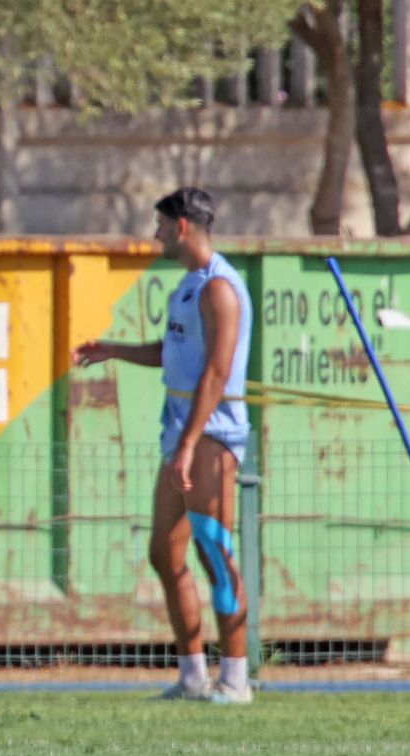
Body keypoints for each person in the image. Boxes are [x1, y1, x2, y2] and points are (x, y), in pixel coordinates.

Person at [73, 187, 253, 704]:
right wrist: (114, 350)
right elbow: (171, 353)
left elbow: (218, 372)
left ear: (180, 227)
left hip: (212, 436)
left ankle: (236, 679)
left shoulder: (220, 287)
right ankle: (193, 674)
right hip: (182, 435)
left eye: (158, 225)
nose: (152, 235)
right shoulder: (188, 288)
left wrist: (192, 443)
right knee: (164, 552)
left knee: (214, 550)